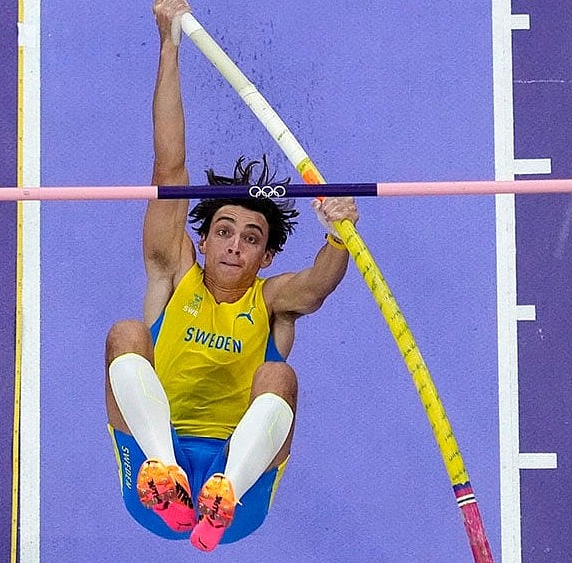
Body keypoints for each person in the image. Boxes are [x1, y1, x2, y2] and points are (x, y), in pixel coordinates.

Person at [105, 0, 359, 552]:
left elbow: (318, 284)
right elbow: (169, 166)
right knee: (126, 335)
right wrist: (169, 45)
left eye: (251, 238)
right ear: (201, 239)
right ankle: (166, 475)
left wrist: (339, 233)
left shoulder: (272, 301)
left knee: (281, 382)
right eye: (224, 230)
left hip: (239, 494)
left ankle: (224, 493)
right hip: (154, 470)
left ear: (266, 258)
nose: (234, 245)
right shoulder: (174, 274)